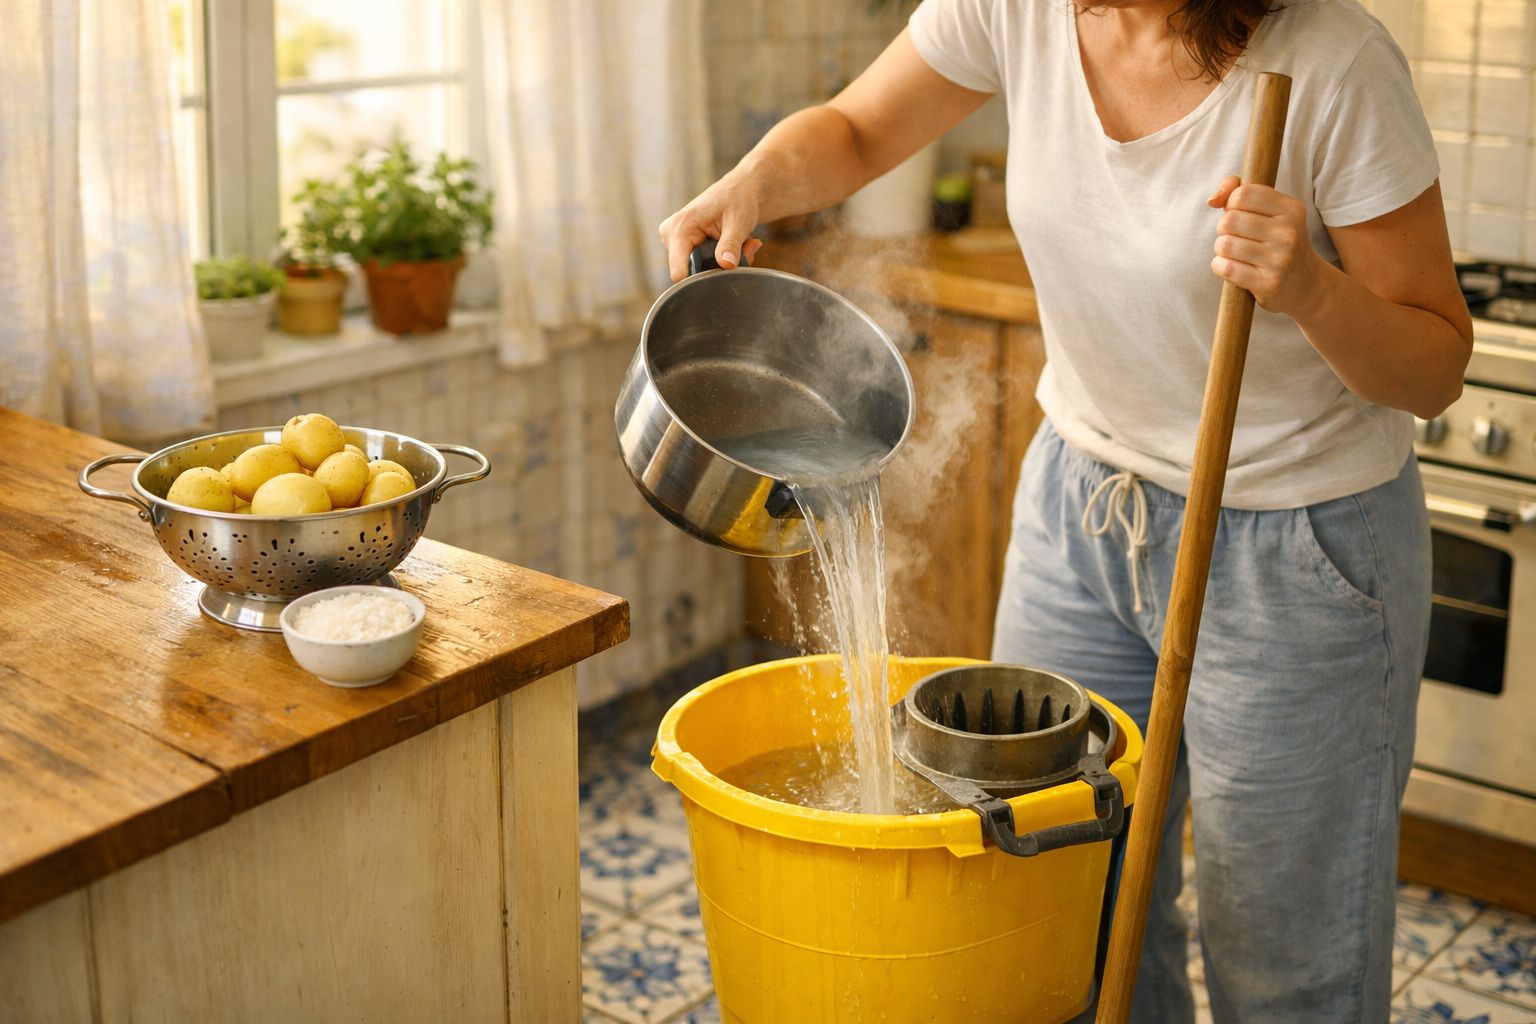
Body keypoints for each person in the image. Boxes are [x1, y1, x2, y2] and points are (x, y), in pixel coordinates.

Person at [659, 1, 1471, 1021]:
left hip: (1292, 548)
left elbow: (1435, 367)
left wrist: (1312, 288)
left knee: (1283, 955)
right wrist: (752, 182)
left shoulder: (1333, 64)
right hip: (1081, 511)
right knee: (1065, 909)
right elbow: (858, 132)